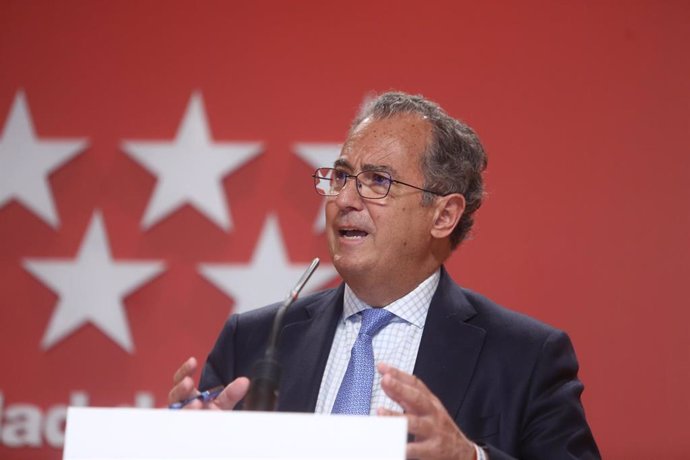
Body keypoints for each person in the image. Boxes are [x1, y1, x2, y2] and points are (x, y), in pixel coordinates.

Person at [169, 92, 600, 459]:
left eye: (378, 181)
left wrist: (469, 458)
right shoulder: (254, 341)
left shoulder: (526, 357)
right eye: (341, 177)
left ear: (444, 214)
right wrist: (182, 447)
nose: (345, 199)